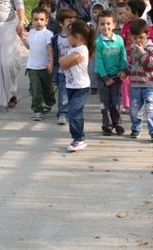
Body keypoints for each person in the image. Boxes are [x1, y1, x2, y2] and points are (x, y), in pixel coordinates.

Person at [117, 18, 153, 142]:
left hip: (150, 84)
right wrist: (125, 72)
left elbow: (151, 63)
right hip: (135, 84)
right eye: (135, 38)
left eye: (141, 37)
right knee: (134, 109)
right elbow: (130, 64)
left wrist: (142, 52)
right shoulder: (132, 49)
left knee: (151, 108)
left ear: (147, 35)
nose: (138, 41)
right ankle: (136, 128)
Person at [59, 19, 95, 152]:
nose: (67, 38)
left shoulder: (81, 49)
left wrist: (65, 61)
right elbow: (63, 63)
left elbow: (63, 63)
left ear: (78, 37)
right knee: (73, 113)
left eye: (69, 35)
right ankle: (78, 138)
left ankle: (79, 139)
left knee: (74, 113)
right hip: (70, 86)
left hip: (81, 87)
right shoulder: (73, 50)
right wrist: (66, 61)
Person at [94, 10, 127, 136]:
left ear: (114, 24)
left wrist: (123, 70)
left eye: (108, 23)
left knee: (116, 101)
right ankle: (107, 125)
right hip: (103, 77)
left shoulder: (119, 40)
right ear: (98, 26)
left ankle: (118, 123)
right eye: (102, 24)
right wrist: (105, 78)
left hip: (116, 76)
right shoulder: (98, 43)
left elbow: (123, 56)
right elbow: (99, 61)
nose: (105, 27)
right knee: (105, 102)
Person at [20, 8, 56, 121]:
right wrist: (22, 38)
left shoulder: (48, 34)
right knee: (36, 90)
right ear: (32, 20)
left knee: (47, 89)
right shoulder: (31, 32)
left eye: (41, 19)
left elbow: (50, 49)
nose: (38, 22)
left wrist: (50, 62)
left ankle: (49, 102)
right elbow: (29, 47)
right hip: (32, 67)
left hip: (45, 67)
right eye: (36, 19)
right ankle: (37, 109)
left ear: (46, 21)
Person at [50, 8, 78, 125]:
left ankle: (73, 113)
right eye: (68, 20)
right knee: (63, 94)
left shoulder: (77, 37)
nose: (72, 22)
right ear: (61, 23)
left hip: (75, 71)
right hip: (62, 71)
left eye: (73, 19)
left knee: (75, 93)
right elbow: (54, 56)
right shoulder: (56, 38)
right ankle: (62, 113)